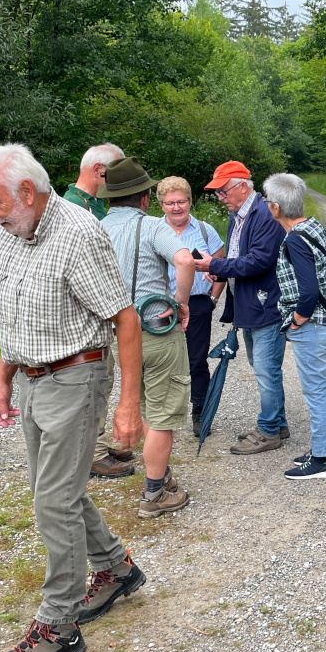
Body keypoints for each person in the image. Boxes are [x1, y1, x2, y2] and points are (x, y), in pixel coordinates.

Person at [0, 143, 146, 652]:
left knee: (53, 500)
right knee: (59, 491)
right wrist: (3, 375)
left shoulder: (79, 234)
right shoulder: (5, 231)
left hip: (77, 375)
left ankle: (58, 626)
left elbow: (125, 318)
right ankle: (116, 569)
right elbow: (12, 311)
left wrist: (128, 405)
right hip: (35, 377)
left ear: (27, 191)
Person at [99, 157, 197, 517]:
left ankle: (162, 475)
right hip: (154, 330)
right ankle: (154, 495)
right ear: (143, 197)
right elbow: (185, 261)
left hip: (113, 335)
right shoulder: (153, 226)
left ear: (108, 198)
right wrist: (181, 303)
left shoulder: (95, 228)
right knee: (162, 412)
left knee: (137, 402)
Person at [193, 161, 290, 455]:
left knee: (264, 369)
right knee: (262, 367)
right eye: (218, 194)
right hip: (250, 304)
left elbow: (260, 260)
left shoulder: (265, 214)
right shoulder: (239, 214)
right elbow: (239, 257)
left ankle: (270, 431)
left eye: (223, 192)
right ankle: (278, 424)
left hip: (266, 304)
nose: (221, 198)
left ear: (242, 187)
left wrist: (216, 264)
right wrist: (220, 271)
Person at [64, 142, 136, 479]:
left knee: (103, 381)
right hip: (82, 318)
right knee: (90, 384)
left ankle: (96, 445)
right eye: (113, 173)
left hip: (104, 313)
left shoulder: (96, 206)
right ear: (98, 172)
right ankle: (88, 455)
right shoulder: (72, 208)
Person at [264, 172, 326, 480]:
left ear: (276, 208)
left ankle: (322, 461)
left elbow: (308, 290)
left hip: (313, 325)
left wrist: (296, 321)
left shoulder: (295, 239)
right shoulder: (314, 227)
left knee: (316, 392)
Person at [158, 176, 226, 437]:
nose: (176, 207)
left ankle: (200, 412)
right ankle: (161, 415)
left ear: (190, 201)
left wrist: (213, 298)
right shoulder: (154, 230)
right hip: (162, 304)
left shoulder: (205, 230)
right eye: (170, 203)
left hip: (198, 304)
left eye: (181, 201)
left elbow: (221, 265)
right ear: (161, 204)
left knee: (196, 361)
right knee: (162, 360)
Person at [62, 142, 122, 221]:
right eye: (116, 173)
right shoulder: (73, 206)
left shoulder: (97, 198)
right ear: (97, 170)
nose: (119, 180)